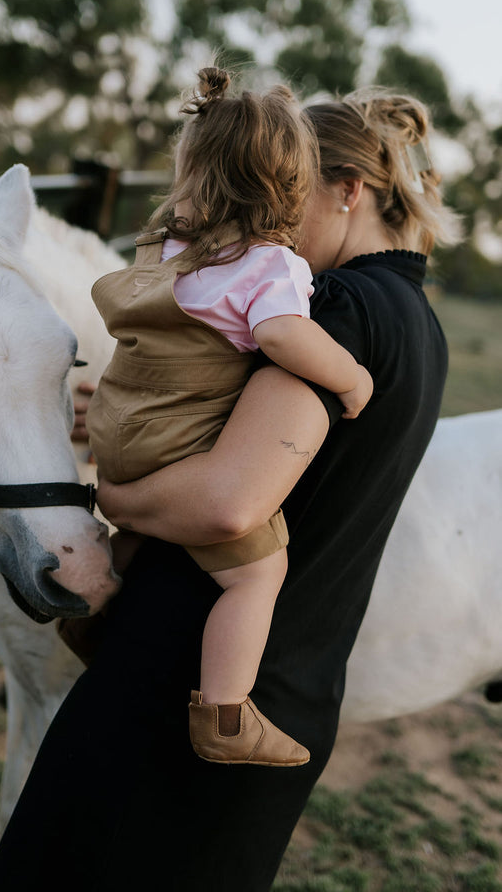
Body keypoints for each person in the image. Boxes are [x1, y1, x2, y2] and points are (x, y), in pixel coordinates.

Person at [0, 87, 460, 892]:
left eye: (287, 194)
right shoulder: (418, 323)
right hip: (283, 698)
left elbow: (225, 504)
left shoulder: (332, 307)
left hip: (177, 696)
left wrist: (116, 498)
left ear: (349, 191)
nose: (263, 218)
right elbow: (272, 451)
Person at [73, 66, 372, 768]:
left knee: (143, 538)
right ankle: (226, 717)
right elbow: (280, 337)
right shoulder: (271, 267)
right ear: (294, 186)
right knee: (255, 575)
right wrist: (351, 377)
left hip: (119, 434)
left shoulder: (167, 249)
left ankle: (90, 615)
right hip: (178, 446)